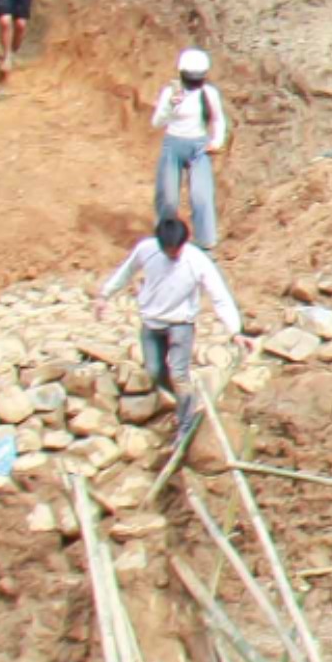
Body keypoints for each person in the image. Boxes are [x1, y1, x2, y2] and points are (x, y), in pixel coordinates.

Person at [102, 209, 241, 451]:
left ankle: (185, 426)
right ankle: (185, 401)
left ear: (184, 243)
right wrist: (105, 294)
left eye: (176, 250)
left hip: (180, 325)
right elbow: (127, 271)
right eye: (168, 250)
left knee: (179, 374)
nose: (172, 254)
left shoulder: (196, 260)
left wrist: (235, 330)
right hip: (151, 322)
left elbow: (219, 295)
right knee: (155, 371)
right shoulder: (147, 249)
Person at [151, 49, 230, 252]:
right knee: (168, 198)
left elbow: (218, 119)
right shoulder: (171, 93)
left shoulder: (209, 94)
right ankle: (165, 237)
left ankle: (206, 241)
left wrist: (217, 140)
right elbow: (157, 122)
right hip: (174, 144)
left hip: (199, 146)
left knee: (201, 196)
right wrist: (170, 106)